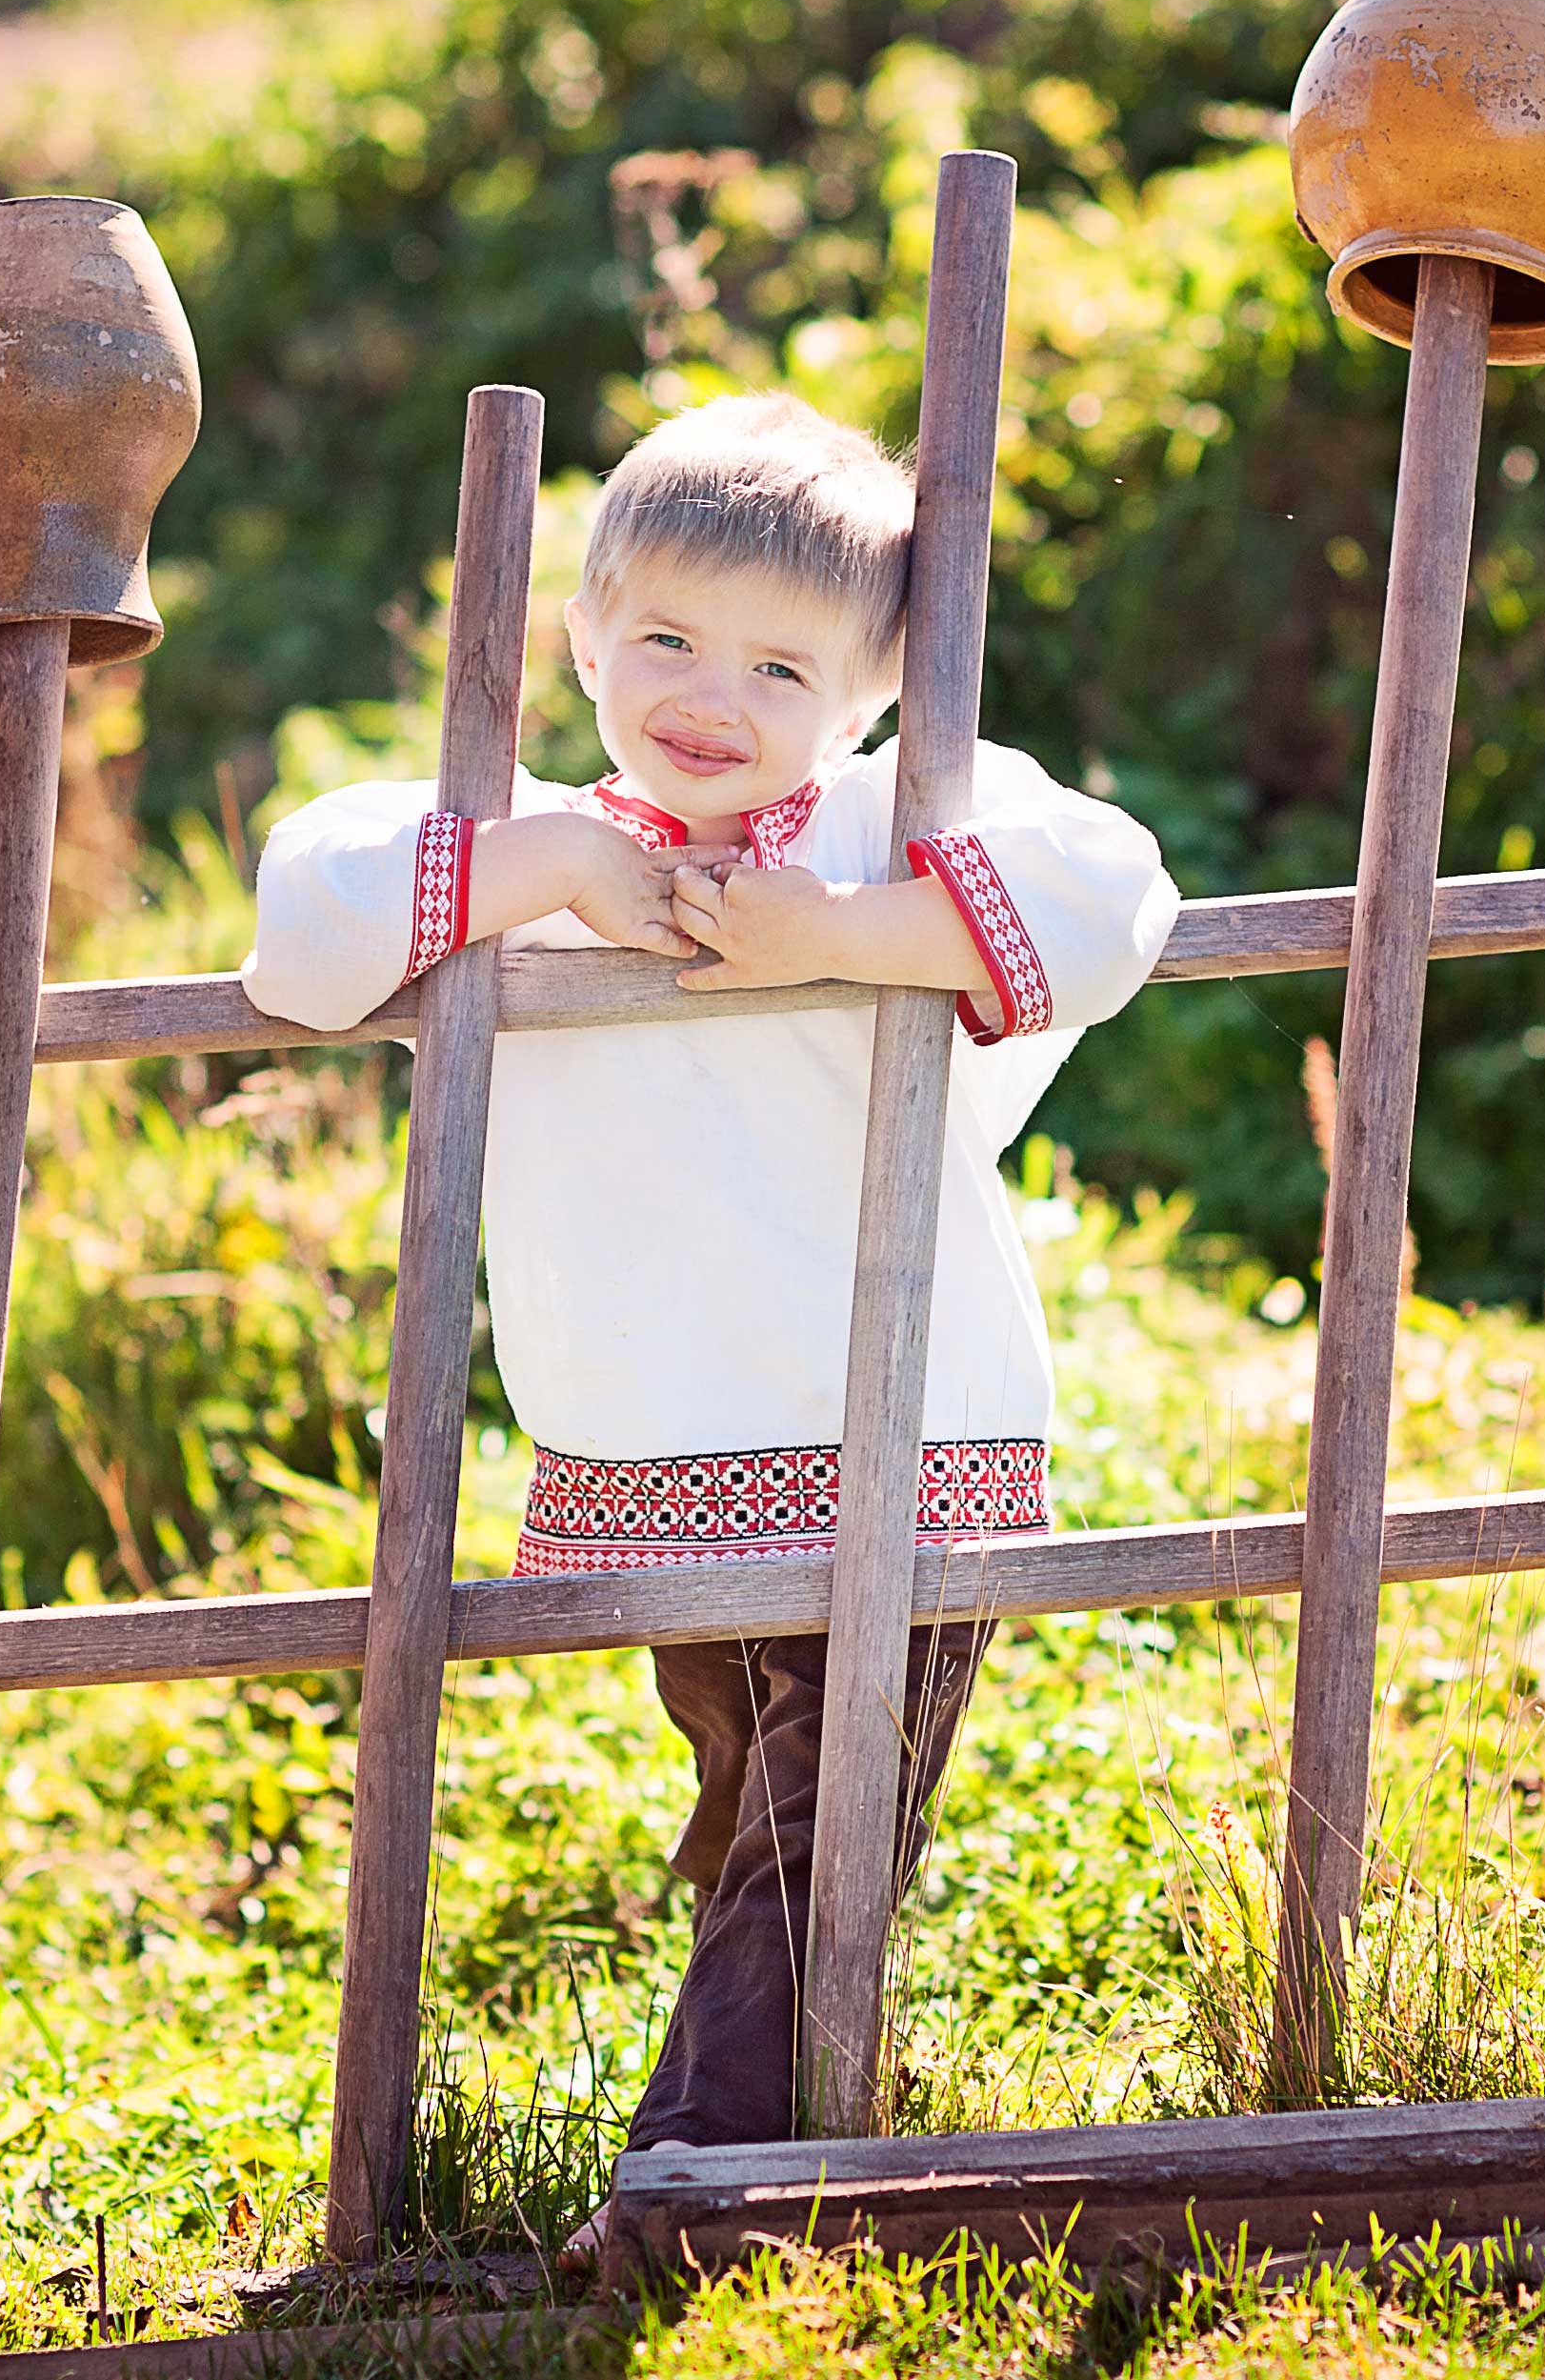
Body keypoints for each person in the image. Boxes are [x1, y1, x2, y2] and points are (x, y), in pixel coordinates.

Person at [242, 390, 1180, 2255]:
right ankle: (812, 2099)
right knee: (759, 1799)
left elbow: (1117, 901)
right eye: (663, 635)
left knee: (817, 1825)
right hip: (657, 1444)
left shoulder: (885, 822)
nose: (711, 694)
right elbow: (299, 927)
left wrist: (838, 934)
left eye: (778, 665)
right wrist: (567, 875)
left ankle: (701, 2189)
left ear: (870, 699)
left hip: (900, 1418)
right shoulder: (519, 840)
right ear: (582, 633)